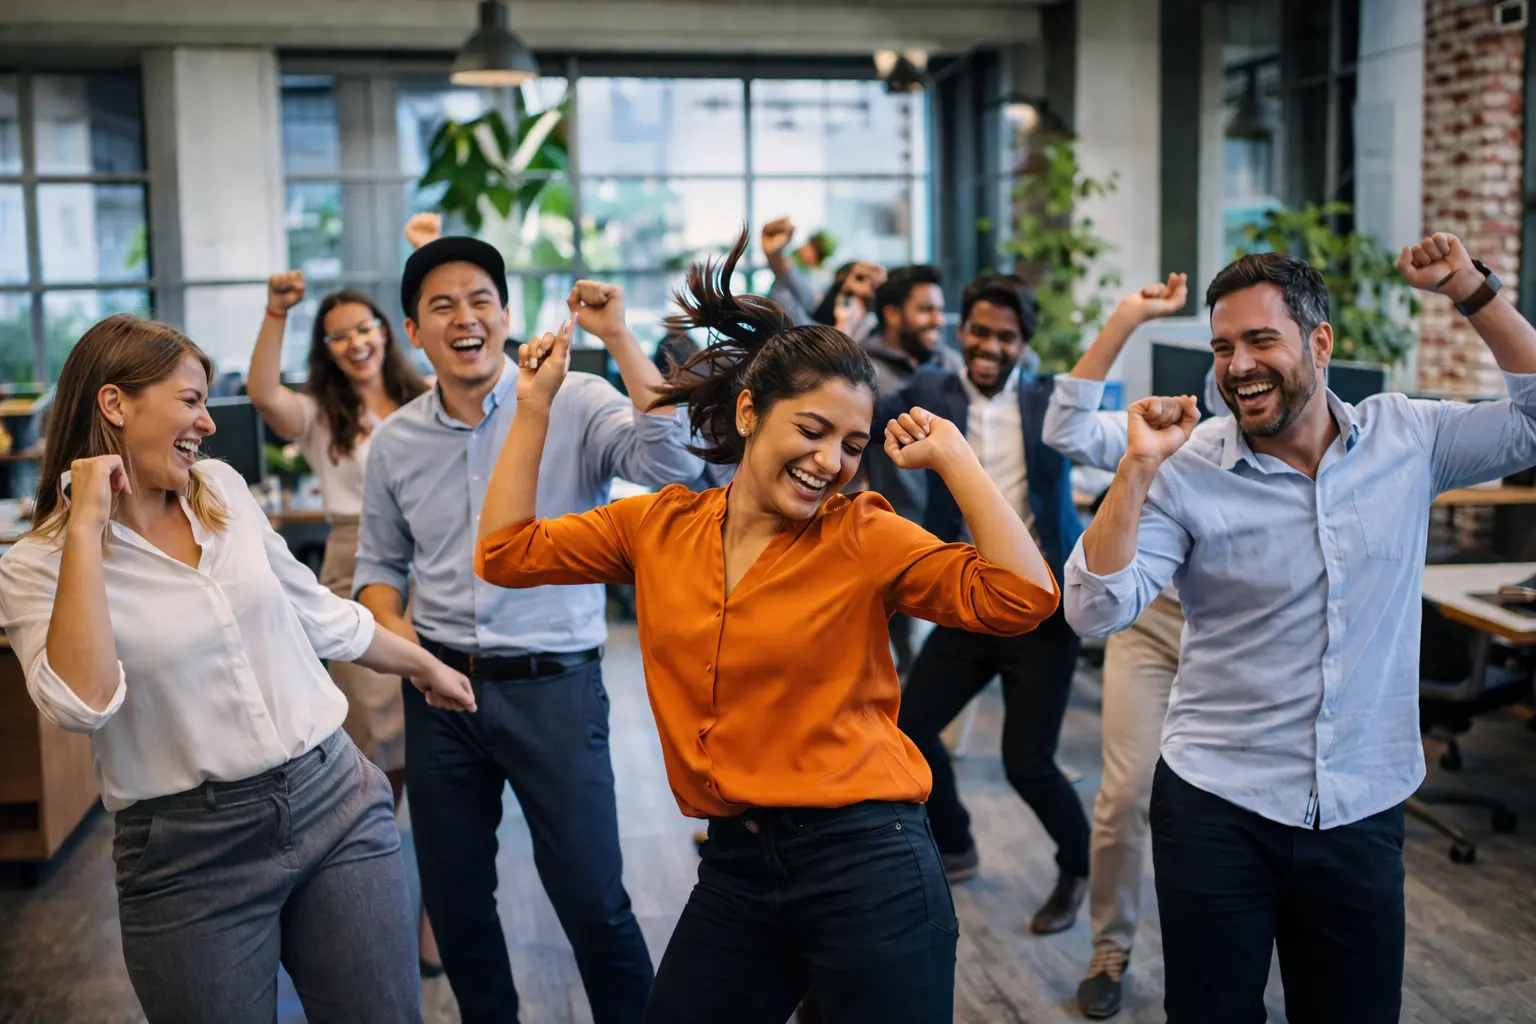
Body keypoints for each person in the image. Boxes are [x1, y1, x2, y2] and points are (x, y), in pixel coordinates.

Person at [473, 228, 1060, 1024]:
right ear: (750, 412)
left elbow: (1024, 599)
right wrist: (534, 406)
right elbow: (506, 552)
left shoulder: (864, 534)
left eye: (852, 445)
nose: (830, 462)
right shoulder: (659, 527)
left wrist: (957, 460)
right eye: (811, 431)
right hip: (740, 866)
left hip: (870, 864)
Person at [1064, 234, 1536, 1023]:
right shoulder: (1188, 466)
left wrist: (1470, 289)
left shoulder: (1409, 437)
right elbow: (1094, 607)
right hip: (1218, 803)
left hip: (1360, 802)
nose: (1237, 364)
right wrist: (1138, 469)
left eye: (1259, 340)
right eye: (1222, 347)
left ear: (1319, 342)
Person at [0, 315, 476, 1024]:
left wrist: (421, 664)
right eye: (190, 400)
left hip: (331, 798)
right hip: (186, 855)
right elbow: (83, 704)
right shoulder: (36, 566)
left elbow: (312, 610)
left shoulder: (219, 490)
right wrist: (87, 527)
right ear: (114, 404)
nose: (208, 422)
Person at [352, 234, 703, 1024]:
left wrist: (617, 335)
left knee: (593, 900)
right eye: (440, 306)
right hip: (440, 692)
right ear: (414, 331)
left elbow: (673, 463)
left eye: (480, 299)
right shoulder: (396, 441)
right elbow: (377, 567)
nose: (464, 317)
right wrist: (410, 655)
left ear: (505, 315)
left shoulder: (575, 399)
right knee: (457, 903)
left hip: (557, 688)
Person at [247, 270, 462, 1018]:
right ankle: (359, 902)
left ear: (387, 330)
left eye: (364, 327)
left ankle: (435, 923)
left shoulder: (425, 396)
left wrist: (429, 256)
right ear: (327, 348)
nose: (354, 342)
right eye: (337, 334)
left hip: (434, 564)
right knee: (376, 757)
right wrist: (276, 312)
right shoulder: (318, 413)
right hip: (351, 565)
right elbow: (263, 390)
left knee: (443, 751)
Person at [891, 273, 1092, 936]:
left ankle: (1079, 866)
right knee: (909, 729)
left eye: (1005, 336)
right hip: (970, 602)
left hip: (1043, 612)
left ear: (1023, 345)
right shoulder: (930, 393)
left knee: (1026, 763)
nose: (988, 346)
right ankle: (958, 843)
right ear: (961, 331)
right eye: (978, 331)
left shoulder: (1048, 404)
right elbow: (858, 399)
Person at [1040, 273, 1208, 1018]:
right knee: (1124, 795)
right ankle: (1111, 946)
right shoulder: (1185, 437)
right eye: (1228, 351)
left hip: (1231, 634)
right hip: (1150, 626)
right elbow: (1067, 432)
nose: (1244, 371)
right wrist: (1128, 317)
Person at [761, 216, 884, 338]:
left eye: (861, 278)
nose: (806, 249)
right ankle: (775, 257)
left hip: (821, 339)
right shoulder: (839, 292)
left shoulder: (867, 316)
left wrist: (842, 322)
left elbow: (841, 342)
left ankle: (774, 258)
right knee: (784, 290)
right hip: (814, 316)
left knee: (783, 292)